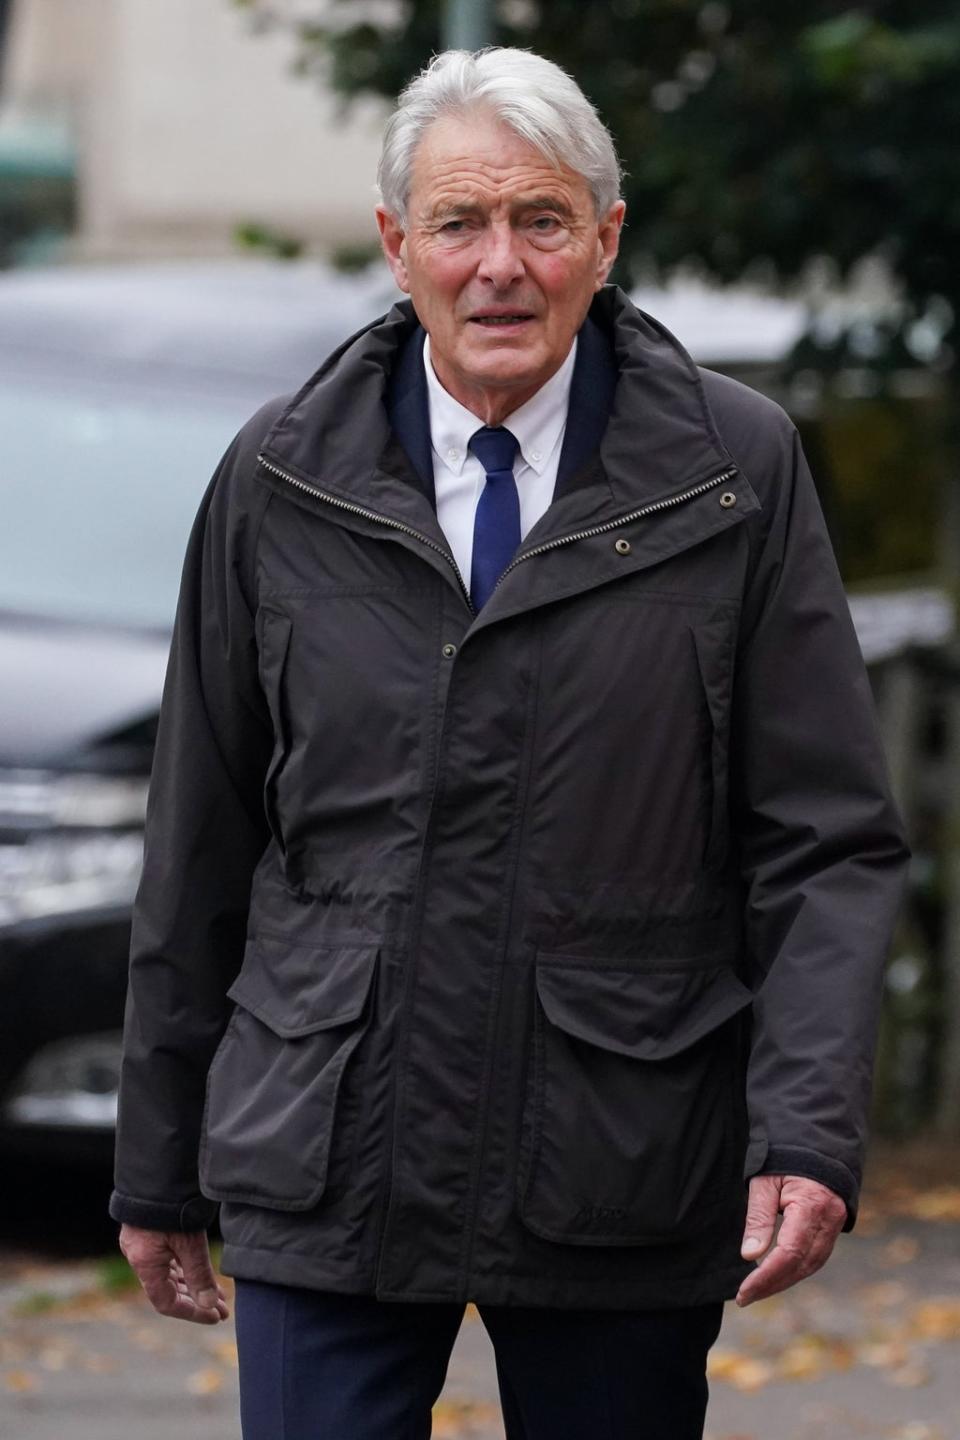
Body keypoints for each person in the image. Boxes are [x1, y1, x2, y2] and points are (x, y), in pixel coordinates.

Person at [110, 46, 909, 1440]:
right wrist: (158, 1159)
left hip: (621, 1148)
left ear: (604, 242)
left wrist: (805, 1133)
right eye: (459, 224)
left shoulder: (734, 473)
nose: (500, 266)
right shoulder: (278, 474)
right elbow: (202, 838)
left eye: (541, 222)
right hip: (328, 1143)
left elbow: (824, 842)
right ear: (394, 243)